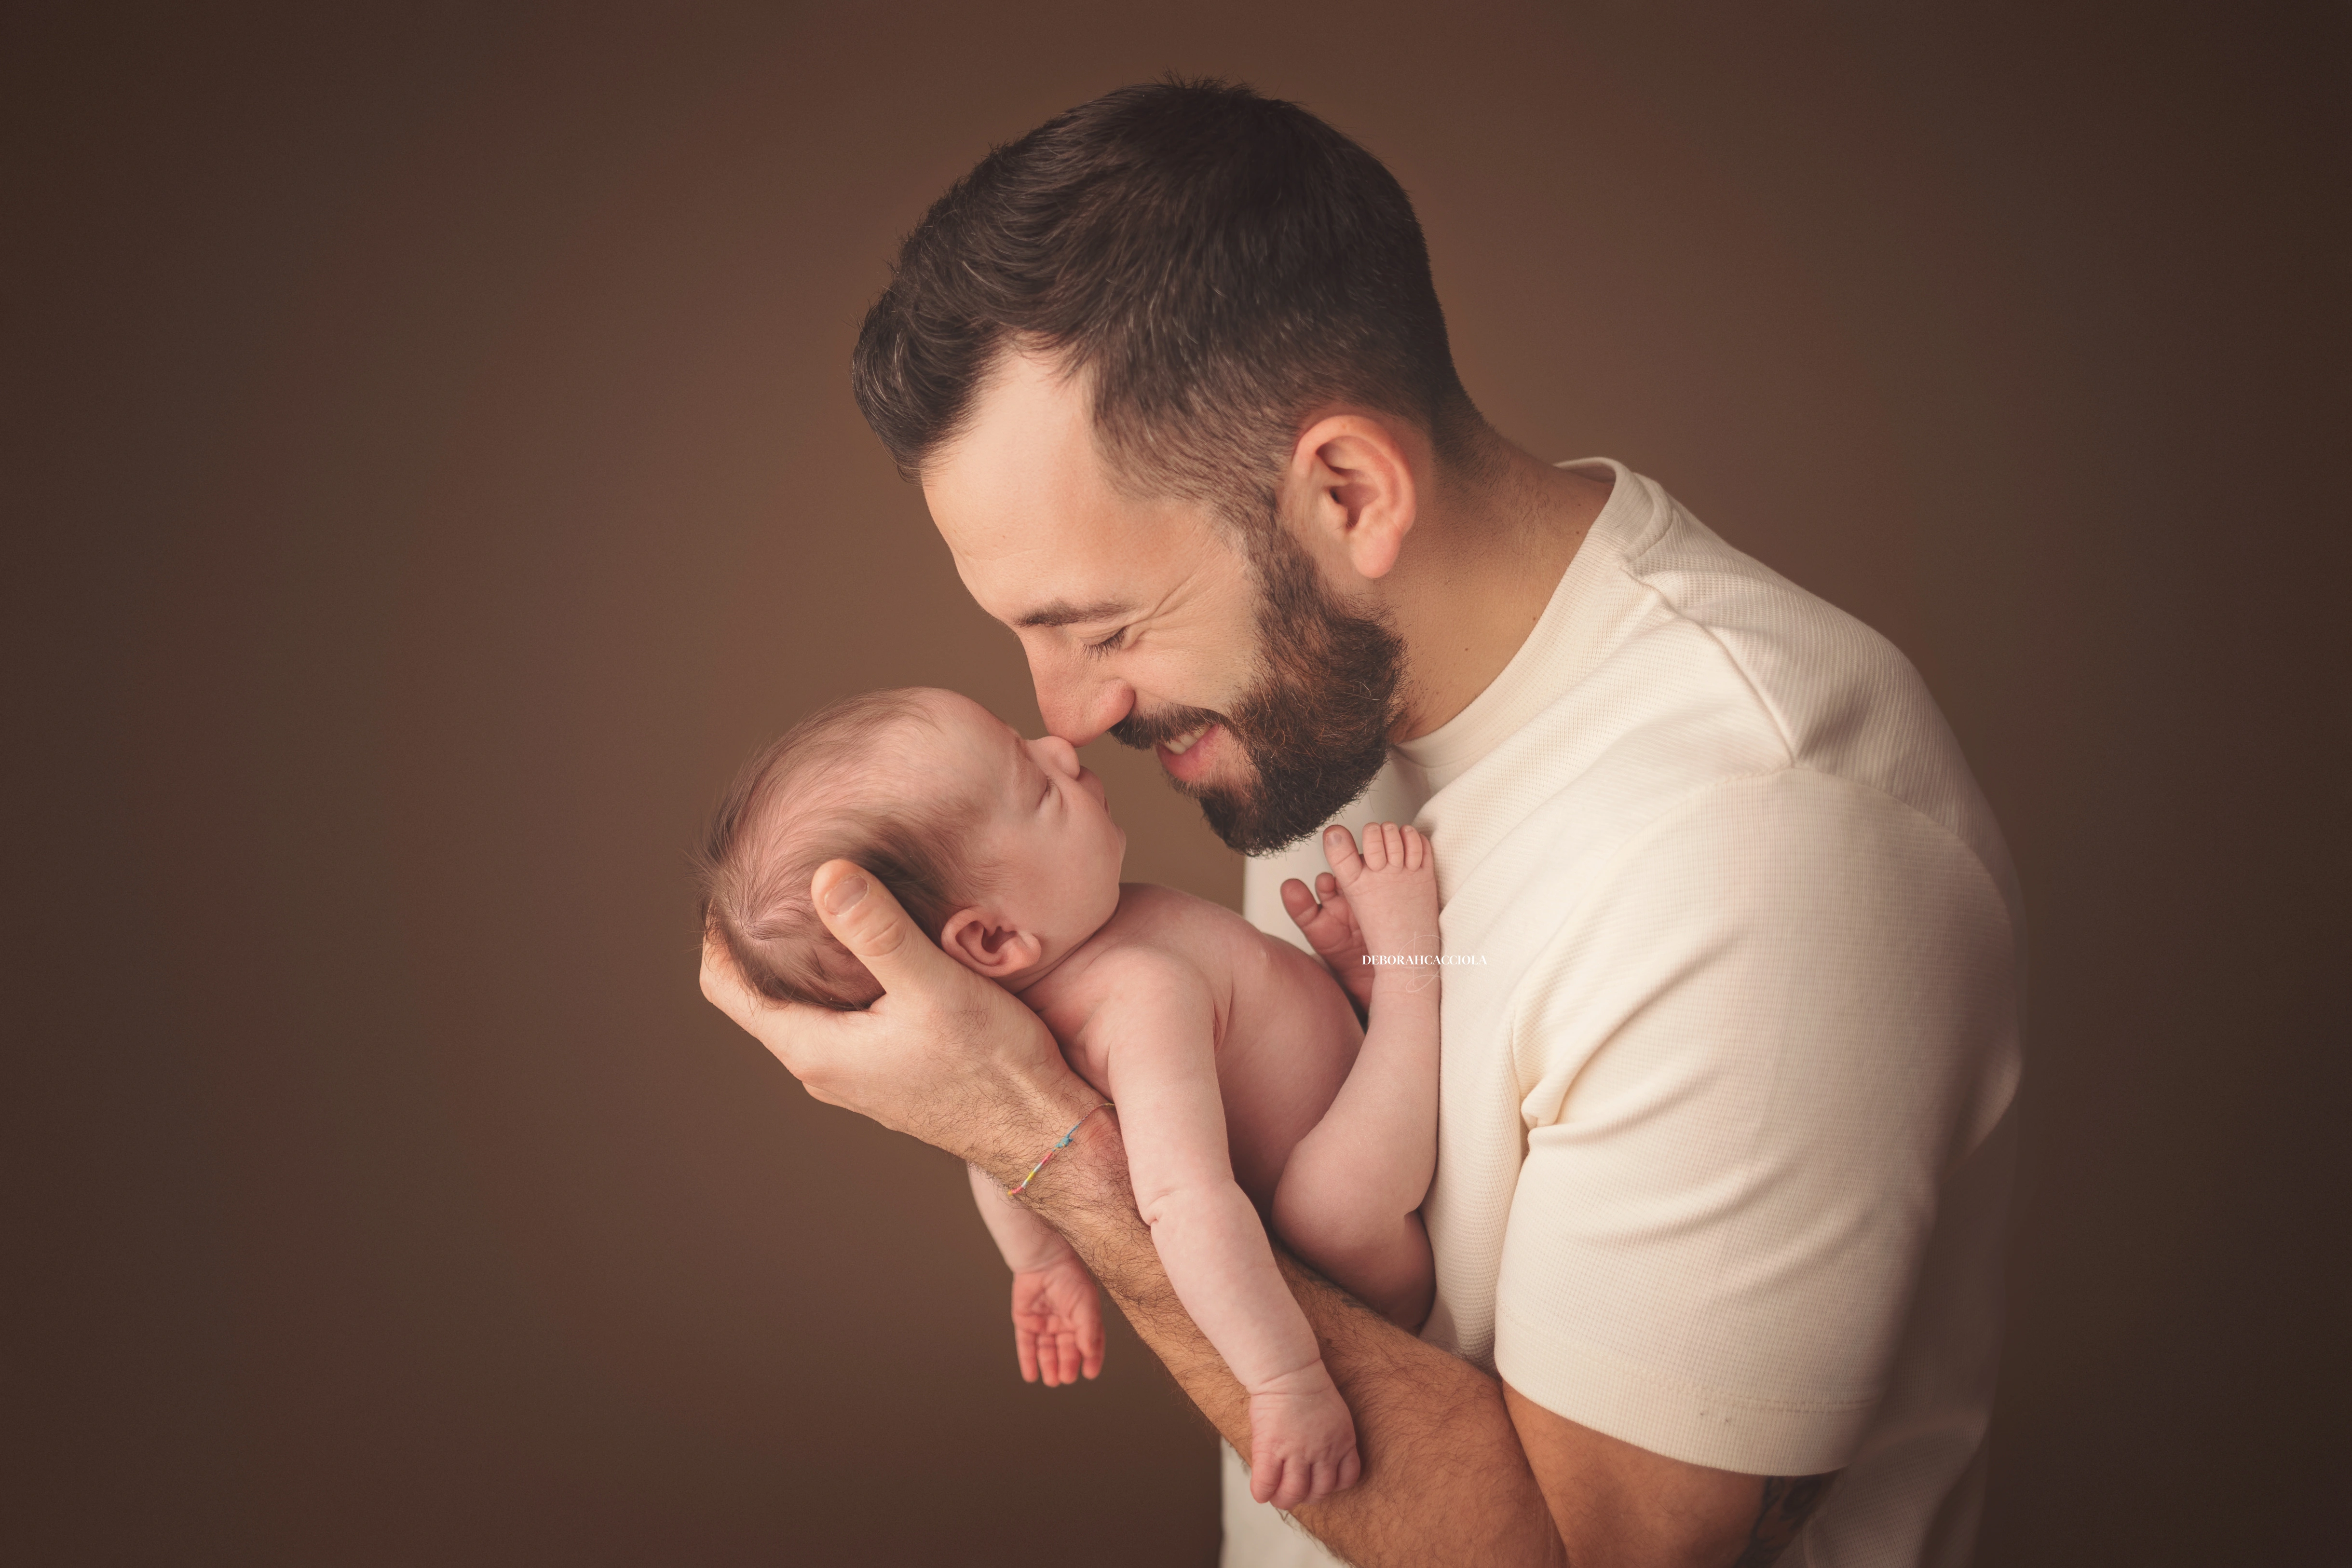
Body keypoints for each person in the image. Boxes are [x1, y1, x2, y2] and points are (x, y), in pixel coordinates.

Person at [699, 79, 2023, 1568]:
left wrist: (1035, 1137)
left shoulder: (1764, 842)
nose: (1064, 718)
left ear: (1344, 491)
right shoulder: (1314, 717)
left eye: (1103, 623)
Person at [695, 686, 1445, 1509]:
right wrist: (1287, 1382)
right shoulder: (1135, 997)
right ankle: (1415, 985)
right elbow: (1183, 1204)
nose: (1062, 747)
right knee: (1326, 1205)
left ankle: (1367, 989)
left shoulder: (1050, 986)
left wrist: (1041, 1258)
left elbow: (994, 1150)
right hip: (1370, 1273)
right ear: (992, 938)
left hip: (1341, 1081)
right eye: (1039, 787)